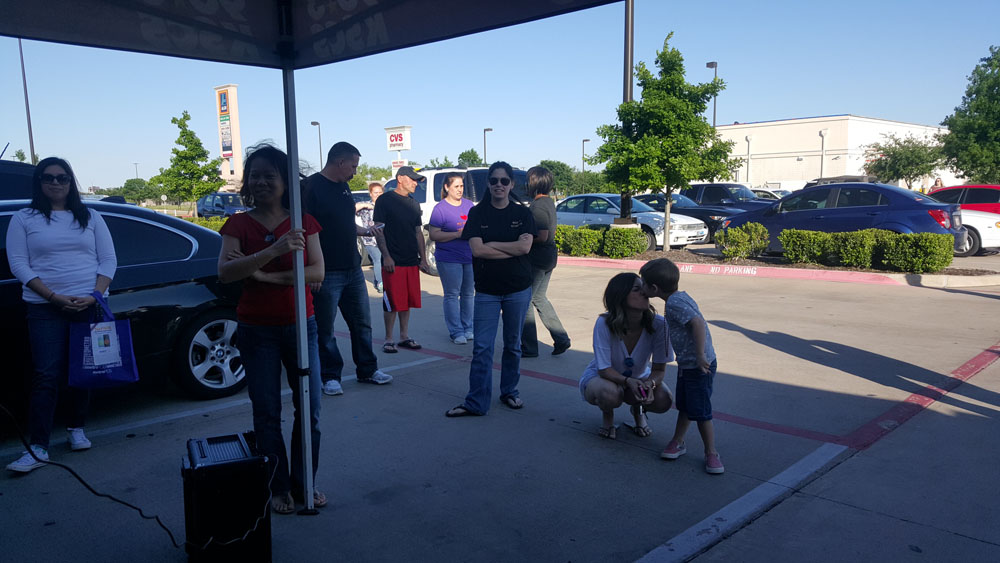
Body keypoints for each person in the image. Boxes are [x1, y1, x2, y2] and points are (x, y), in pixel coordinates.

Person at [218, 144, 326, 513]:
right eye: (255, 176)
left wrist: (262, 274)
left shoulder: (303, 222)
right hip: (256, 330)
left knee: (309, 409)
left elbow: (317, 271)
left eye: (269, 175)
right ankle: (278, 486)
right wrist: (272, 251)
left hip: (301, 326)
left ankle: (305, 483)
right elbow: (226, 272)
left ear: (285, 181)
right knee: (266, 412)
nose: (261, 182)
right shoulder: (237, 225)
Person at [5, 157, 117, 473]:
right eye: (48, 177)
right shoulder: (23, 218)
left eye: (62, 177)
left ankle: (76, 429)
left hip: (88, 304)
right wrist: (53, 297)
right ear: (39, 182)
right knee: (46, 375)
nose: (56, 183)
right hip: (44, 308)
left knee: (84, 370)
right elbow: (18, 265)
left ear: (71, 182)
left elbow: (108, 260)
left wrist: (94, 295)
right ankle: (38, 447)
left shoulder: (91, 217)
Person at [446, 162, 536, 417]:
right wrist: (511, 247)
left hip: (518, 289)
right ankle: (476, 402)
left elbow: (525, 248)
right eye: (494, 180)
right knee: (482, 348)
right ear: (488, 183)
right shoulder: (478, 213)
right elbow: (477, 250)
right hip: (487, 291)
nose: (499, 185)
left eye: (504, 181)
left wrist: (493, 244)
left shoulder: (522, 214)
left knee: (513, 345)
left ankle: (509, 392)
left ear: (511, 184)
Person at [305, 142, 393, 397]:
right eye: (353, 166)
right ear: (340, 162)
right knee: (325, 329)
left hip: (353, 269)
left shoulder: (343, 187)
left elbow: (344, 223)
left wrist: (366, 231)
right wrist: (313, 269)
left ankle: (367, 369)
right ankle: (330, 376)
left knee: (362, 323)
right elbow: (304, 231)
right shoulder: (310, 188)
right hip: (326, 272)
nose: (355, 172)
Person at [640, 258, 724, 474]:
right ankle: (678, 441)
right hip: (688, 365)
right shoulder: (680, 296)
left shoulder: (674, 304)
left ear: (654, 288)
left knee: (701, 411)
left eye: (643, 283)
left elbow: (697, 323)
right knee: (686, 406)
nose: (641, 287)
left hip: (698, 366)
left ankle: (711, 452)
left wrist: (699, 355)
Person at [580, 273, 674, 440]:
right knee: (609, 394)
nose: (645, 292)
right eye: (637, 289)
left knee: (663, 400)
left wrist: (649, 384)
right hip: (603, 378)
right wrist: (628, 381)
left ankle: (638, 410)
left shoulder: (660, 325)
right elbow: (604, 369)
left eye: (644, 288)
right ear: (620, 297)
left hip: (639, 378)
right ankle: (608, 415)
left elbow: (659, 370)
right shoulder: (604, 323)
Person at [374, 166, 431, 353]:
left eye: (417, 180)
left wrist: (423, 259)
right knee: (391, 301)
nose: (415, 183)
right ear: (400, 178)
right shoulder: (385, 200)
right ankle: (389, 339)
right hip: (393, 261)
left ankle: (404, 336)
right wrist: (386, 256)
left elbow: (418, 232)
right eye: (412, 179)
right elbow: (379, 229)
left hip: (410, 260)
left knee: (406, 300)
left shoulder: (413, 204)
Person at [520, 166, 571, 358]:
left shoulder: (538, 206)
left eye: (527, 181)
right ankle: (561, 339)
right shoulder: (548, 202)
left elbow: (542, 235)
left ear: (533, 183)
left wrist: (521, 239)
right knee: (539, 298)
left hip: (537, 259)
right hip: (548, 257)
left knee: (525, 301)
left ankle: (529, 347)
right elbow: (551, 232)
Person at [427, 172, 475, 344]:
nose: (460, 190)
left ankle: (468, 328)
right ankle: (456, 331)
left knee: (468, 293)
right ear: (447, 187)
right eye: (456, 186)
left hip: (469, 256)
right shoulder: (440, 209)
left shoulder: (469, 205)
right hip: (449, 258)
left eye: (461, 186)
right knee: (452, 294)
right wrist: (456, 234)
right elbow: (433, 234)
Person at [355, 182, 384, 293]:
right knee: (377, 260)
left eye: (380, 192)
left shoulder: (385, 205)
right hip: (370, 240)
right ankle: (381, 284)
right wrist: (365, 205)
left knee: (384, 260)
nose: (378, 195)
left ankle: (378, 281)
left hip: (385, 238)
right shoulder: (365, 206)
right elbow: (351, 209)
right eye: (376, 193)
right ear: (370, 194)